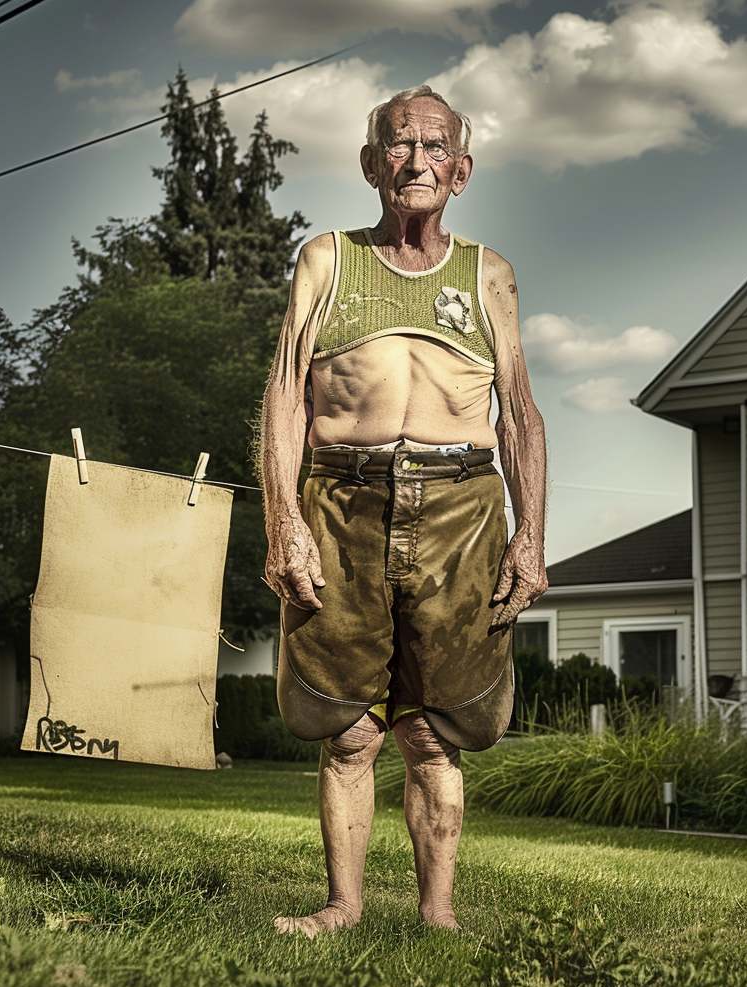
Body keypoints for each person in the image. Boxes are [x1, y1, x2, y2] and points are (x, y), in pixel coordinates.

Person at [261, 86, 547, 936]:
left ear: (460, 170)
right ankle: (343, 906)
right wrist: (284, 522)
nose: (413, 162)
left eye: (432, 148)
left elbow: (520, 411)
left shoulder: (488, 273)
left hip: (462, 511)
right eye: (396, 145)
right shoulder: (326, 259)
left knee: (432, 734)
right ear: (368, 162)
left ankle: (438, 915)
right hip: (341, 501)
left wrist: (531, 536)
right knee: (349, 733)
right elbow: (285, 397)